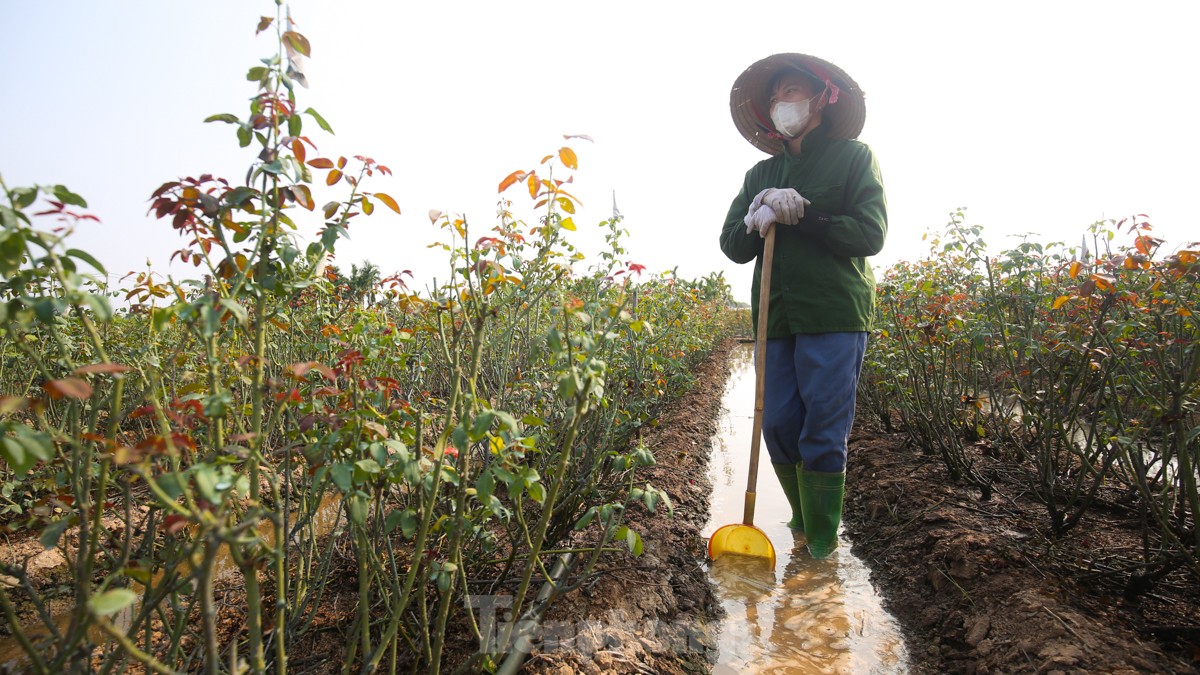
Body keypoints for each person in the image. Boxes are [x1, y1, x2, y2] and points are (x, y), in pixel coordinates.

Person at [720, 53, 887, 558]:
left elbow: (870, 234)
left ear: (821, 98)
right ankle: (802, 518)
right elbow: (732, 246)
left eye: (790, 90)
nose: (780, 101)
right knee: (777, 423)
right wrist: (756, 216)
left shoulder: (854, 158)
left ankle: (820, 544)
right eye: (775, 95)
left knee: (823, 430)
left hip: (833, 313)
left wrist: (804, 214)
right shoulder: (759, 175)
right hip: (776, 317)